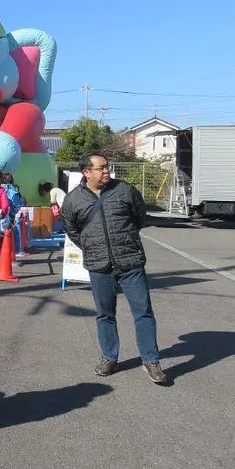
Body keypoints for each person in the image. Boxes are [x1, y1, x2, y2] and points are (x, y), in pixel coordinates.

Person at [61, 152, 168, 384]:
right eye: (101, 168)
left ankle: (151, 360)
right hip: (100, 265)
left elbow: (140, 217)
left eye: (107, 167)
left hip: (130, 261)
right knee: (105, 313)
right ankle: (109, 357)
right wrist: (91, 246)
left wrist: (126, 239)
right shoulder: (73, 200)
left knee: (143, 312)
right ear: (86, 172)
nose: (106, 171)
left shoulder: (124, 190)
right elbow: (72, 229)